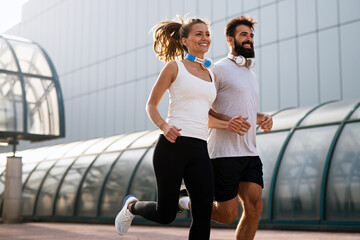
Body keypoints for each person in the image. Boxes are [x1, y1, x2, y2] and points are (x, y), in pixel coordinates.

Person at [114, 16, 244, 240]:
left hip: (200, 149)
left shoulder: (211, 75)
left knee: (203, 214)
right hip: (172, 145)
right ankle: (131, 207)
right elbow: (151, 105)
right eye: (198, 34)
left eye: (207, 34)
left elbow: (204, 116)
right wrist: (164, 126)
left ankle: (182, 201)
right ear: (184, 40)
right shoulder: (174, 68)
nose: (205, 38)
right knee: (165, 215)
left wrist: (226, 124)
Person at [178, 15, 273, 240]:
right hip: (223, 154)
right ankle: (186, 202)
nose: (249, 39)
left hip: (249, 152)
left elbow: (245, 111)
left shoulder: (252, 75)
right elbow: (202, 108)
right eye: (243, 35)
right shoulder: (218, 70)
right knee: (227, 215)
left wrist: (263, 118)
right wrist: (226, 121)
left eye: (251, 35)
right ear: (230, 40)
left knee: (254, 207)